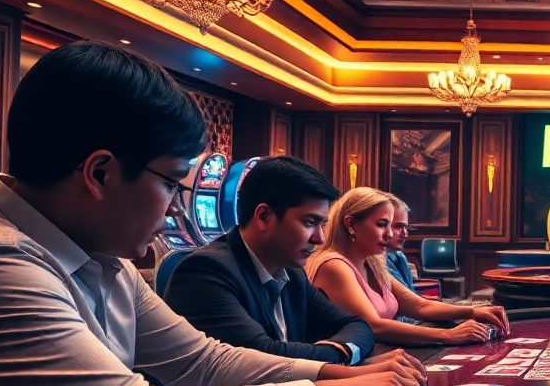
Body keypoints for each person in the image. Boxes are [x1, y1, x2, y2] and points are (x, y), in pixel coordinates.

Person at [0, 42, 430, 386]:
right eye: (172, 185)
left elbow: (202, 360)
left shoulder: (102, 257)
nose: (173, 211)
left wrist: (346, 376)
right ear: (100, 173)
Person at [165, 156, 410, 368]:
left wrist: (338, 353)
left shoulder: (292, 273)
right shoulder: (206, 272)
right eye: (309, 223)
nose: (319, 238)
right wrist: (341, 356)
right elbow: (263, 358)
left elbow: (357, 325)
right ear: (263, 216)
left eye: (322, 224)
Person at [307, 187, 509, 345]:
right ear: (351, 224)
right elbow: (372, 327)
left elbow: (418, 305)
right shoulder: (333, 265)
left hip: (376, 353)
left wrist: (473, 311)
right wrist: (448, 335)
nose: (389, 234)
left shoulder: (372, 262)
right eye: (381, 224)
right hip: (344, 366)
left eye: (390, 225)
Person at [384, 195, 418, 293]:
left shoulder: (399, 256)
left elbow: (411, 294)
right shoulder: (379, 260)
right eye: (398, 226)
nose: (405, 234)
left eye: (406, 228)